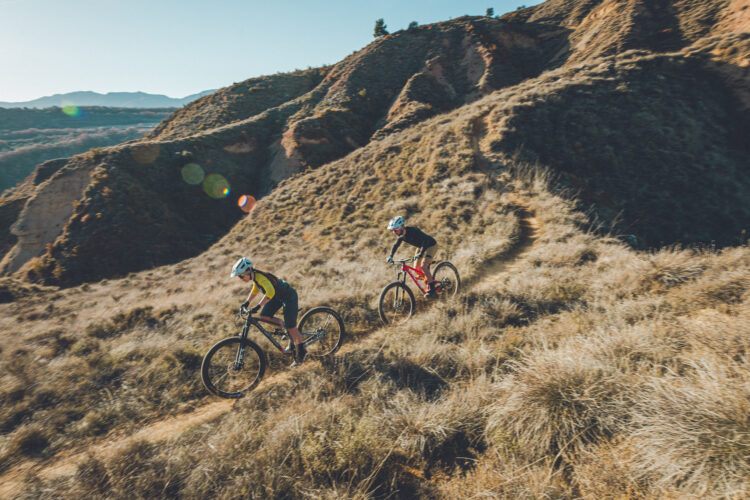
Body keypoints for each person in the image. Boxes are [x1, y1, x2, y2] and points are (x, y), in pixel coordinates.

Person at [230, 257, 306, 366]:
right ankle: (286, 329)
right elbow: (255, 289)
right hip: (277, 297)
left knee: (291, 327)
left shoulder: (260, 277)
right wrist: (246, 302)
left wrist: (258, 306)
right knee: (264, 317)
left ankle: (301, 354)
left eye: (241, 276)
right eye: (239, 277)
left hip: (289, 297)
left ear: (248, 271)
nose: (240, 278)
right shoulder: (255, 278)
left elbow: (269, 292)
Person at [385, 216, 438, 297]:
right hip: (421, 247)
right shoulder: (401, 236)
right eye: (393, 231)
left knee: (424, 266)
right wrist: (390, 256)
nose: (395, 233)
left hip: (430, 245)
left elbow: (425, 240)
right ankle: (429, 280)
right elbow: (396, 245)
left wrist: (421, 253)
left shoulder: (413, 230)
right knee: (417, 269)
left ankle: (432, 290)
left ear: (402, 227)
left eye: (396, 230)